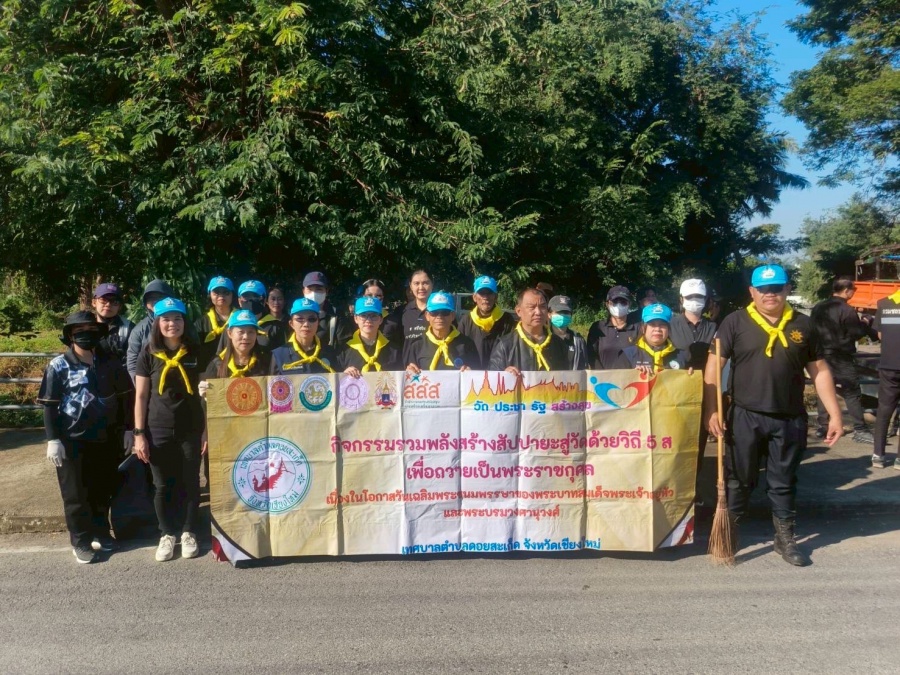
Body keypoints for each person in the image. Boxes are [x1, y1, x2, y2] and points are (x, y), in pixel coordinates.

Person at [705, 264, 842, 566]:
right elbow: (714, 365)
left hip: (789, 417)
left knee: (783, 481)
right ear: (752, 291)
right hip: (745, 415)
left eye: (777, 288)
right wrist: (711, 409)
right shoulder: (735, 322)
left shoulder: (804, 324)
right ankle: (730, 533)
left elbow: (819, 371)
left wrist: (835, 414)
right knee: (739, 479)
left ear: (787, 289)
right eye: (763, 289)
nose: (770, 294)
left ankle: (785, 538)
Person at [37, 311, 133, 564]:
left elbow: (126, 398)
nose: (85, 335)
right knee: (75, 495)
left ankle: (101, 532)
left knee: (103, 490)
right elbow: (49, 405)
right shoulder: (58, 365)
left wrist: (129, 430)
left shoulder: (110, 362)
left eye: (90, 330)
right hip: (71, 441)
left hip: (107, 439)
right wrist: (53, 440)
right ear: (70, 335)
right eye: (79, 331)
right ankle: (80, 540)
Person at [133, 298, 204, 562]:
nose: (172, 323)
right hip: (157, 428)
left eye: (177, 318)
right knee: (162, 484)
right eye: (166, 319)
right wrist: (139, 434)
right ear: (157, 323)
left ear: (184, 322)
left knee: (190, 481)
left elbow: (205, 396)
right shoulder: (148, 353)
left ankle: (188, 531)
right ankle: (167, 533)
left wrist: (206, 431)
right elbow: (141, 396)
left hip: (190, 427)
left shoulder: (195, 351)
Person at [811, 276, 878, 445]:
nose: (853, 293)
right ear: (846, 291)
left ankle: (823, 427)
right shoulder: (847, 310)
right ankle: (860, 429)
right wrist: (864, 322)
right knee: (851, 392)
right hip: (841, 357)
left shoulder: (818, 307)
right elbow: (856, 333)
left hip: (820, 356)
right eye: (853, 290)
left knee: (824, 391)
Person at [489, 288, 570, 374]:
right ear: (518, 311)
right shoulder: (504, 346)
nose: (538, 312)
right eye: (532, 307)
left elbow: (567, 378)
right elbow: (493, 379)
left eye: (542, 307)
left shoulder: (558, 344)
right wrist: (503, 375)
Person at [405, 292, 479, 372]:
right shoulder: (417, 345)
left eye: (444, 312)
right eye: (434, 312)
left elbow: (477, 374)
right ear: (427, 316)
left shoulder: (467, 344)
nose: (439, 317)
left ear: (452, 315)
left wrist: (471, 373)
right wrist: (410, 371)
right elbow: (411, 375)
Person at [456, 275, 516, 369]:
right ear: (474, 297)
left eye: (489, 293)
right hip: (472, 375)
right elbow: (459, 350)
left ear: (496, 297)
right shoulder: (466, 321)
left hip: (499, 374)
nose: (485, 297)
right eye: (481, 293)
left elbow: (513, 350)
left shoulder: (507, 320)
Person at [269, 298, 337, 375]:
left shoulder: (331, 352)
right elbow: (272, 382)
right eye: (300, 319)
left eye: (312, 319)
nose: (306, 324)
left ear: (318, 323)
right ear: (291, 324)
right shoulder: (279, 355)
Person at [337, 296, 402, 375]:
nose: (368, 320)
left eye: (374, 316)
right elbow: (334, 379)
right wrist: (343, 375)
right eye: (363, 316)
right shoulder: (344, 351)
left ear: (381, 319)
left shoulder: (394, 351)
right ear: (356, 319)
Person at [126, 279, 177, 378]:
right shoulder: (139, 330)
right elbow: (132, 361)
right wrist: (140, 384)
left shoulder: (182, 324)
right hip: (149, 382)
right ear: (145, 304)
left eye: (160, 297)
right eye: (151, 298)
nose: (156, 302)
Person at [617, 304, 688, 373]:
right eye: (652, 324)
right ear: (643, 328)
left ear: (669, 329)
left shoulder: (681, 355)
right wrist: (633, 375)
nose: (657, 329)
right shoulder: (628, 355)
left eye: (662, 325)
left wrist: (690, 375)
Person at [202, 310, 271, 381]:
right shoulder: (217, 365)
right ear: (229, 333)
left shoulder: (266, 363)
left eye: (251, 332)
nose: (246, 337)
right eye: (241, 332)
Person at [873, 287, 900, 468]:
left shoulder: (884, 303)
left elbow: (880, 334)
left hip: (889, 365)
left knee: (884, 410)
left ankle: (878, 455)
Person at [586, 286, 641, 369]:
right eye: (615, 301)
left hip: (631, 376)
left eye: (623, 302)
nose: (618, 305)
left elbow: (644, 354)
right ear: (607, 304)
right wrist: (601, 374)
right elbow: (591, 355)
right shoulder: (598, 327)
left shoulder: (638, 328)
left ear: (629, 304)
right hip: (603, 376)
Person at [669, 278, 716, 372]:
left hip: (707, 379)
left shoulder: (714, 327)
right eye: (689, 296)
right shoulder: (670, 326)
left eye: (698, 296)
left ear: (705, 298)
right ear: (681, 299)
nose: (694, 299)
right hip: (676, 379)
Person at [383, 269, 434, 351]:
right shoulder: (401, 312)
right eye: (416, 283)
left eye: (425, 283)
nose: (421, 287)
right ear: (411, 286)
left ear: (432, 284)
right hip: (407, 359)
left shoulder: (442, 312)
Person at [195, 276, 236, 372]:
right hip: (208, 372)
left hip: (236, 371)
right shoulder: (201, 322)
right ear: (210, 295)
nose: (221, 296)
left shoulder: (241, 319)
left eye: (226, 292)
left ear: (232, 295)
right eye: (216, 292)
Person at [237, 280, 285, 350]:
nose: (251, 300)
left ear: (264, 300)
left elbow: (283, 354)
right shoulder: (232, 325)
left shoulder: (276, 326)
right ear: (239, 301)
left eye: (256, 297)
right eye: (246, 297)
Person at [92, 283, 134, 362]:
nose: (108, 304)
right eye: (103, 300)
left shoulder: (129, 328)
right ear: (94, 302)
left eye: (115, 301)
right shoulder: (84, 326)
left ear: (120, 306)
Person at [548, 295, 589, 370]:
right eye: (559, 312)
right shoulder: (544, 339)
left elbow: (584, 367)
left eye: (566, 312)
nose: (563, 315)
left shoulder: (578, 340)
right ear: (549, 314)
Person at [302, 271, 339, 347]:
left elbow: (343, 347)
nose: (314, 293)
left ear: (326, 291)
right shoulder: (295, 315)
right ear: (303, 291)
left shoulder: (336, 315)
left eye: (319, 289)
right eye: (310, 289)